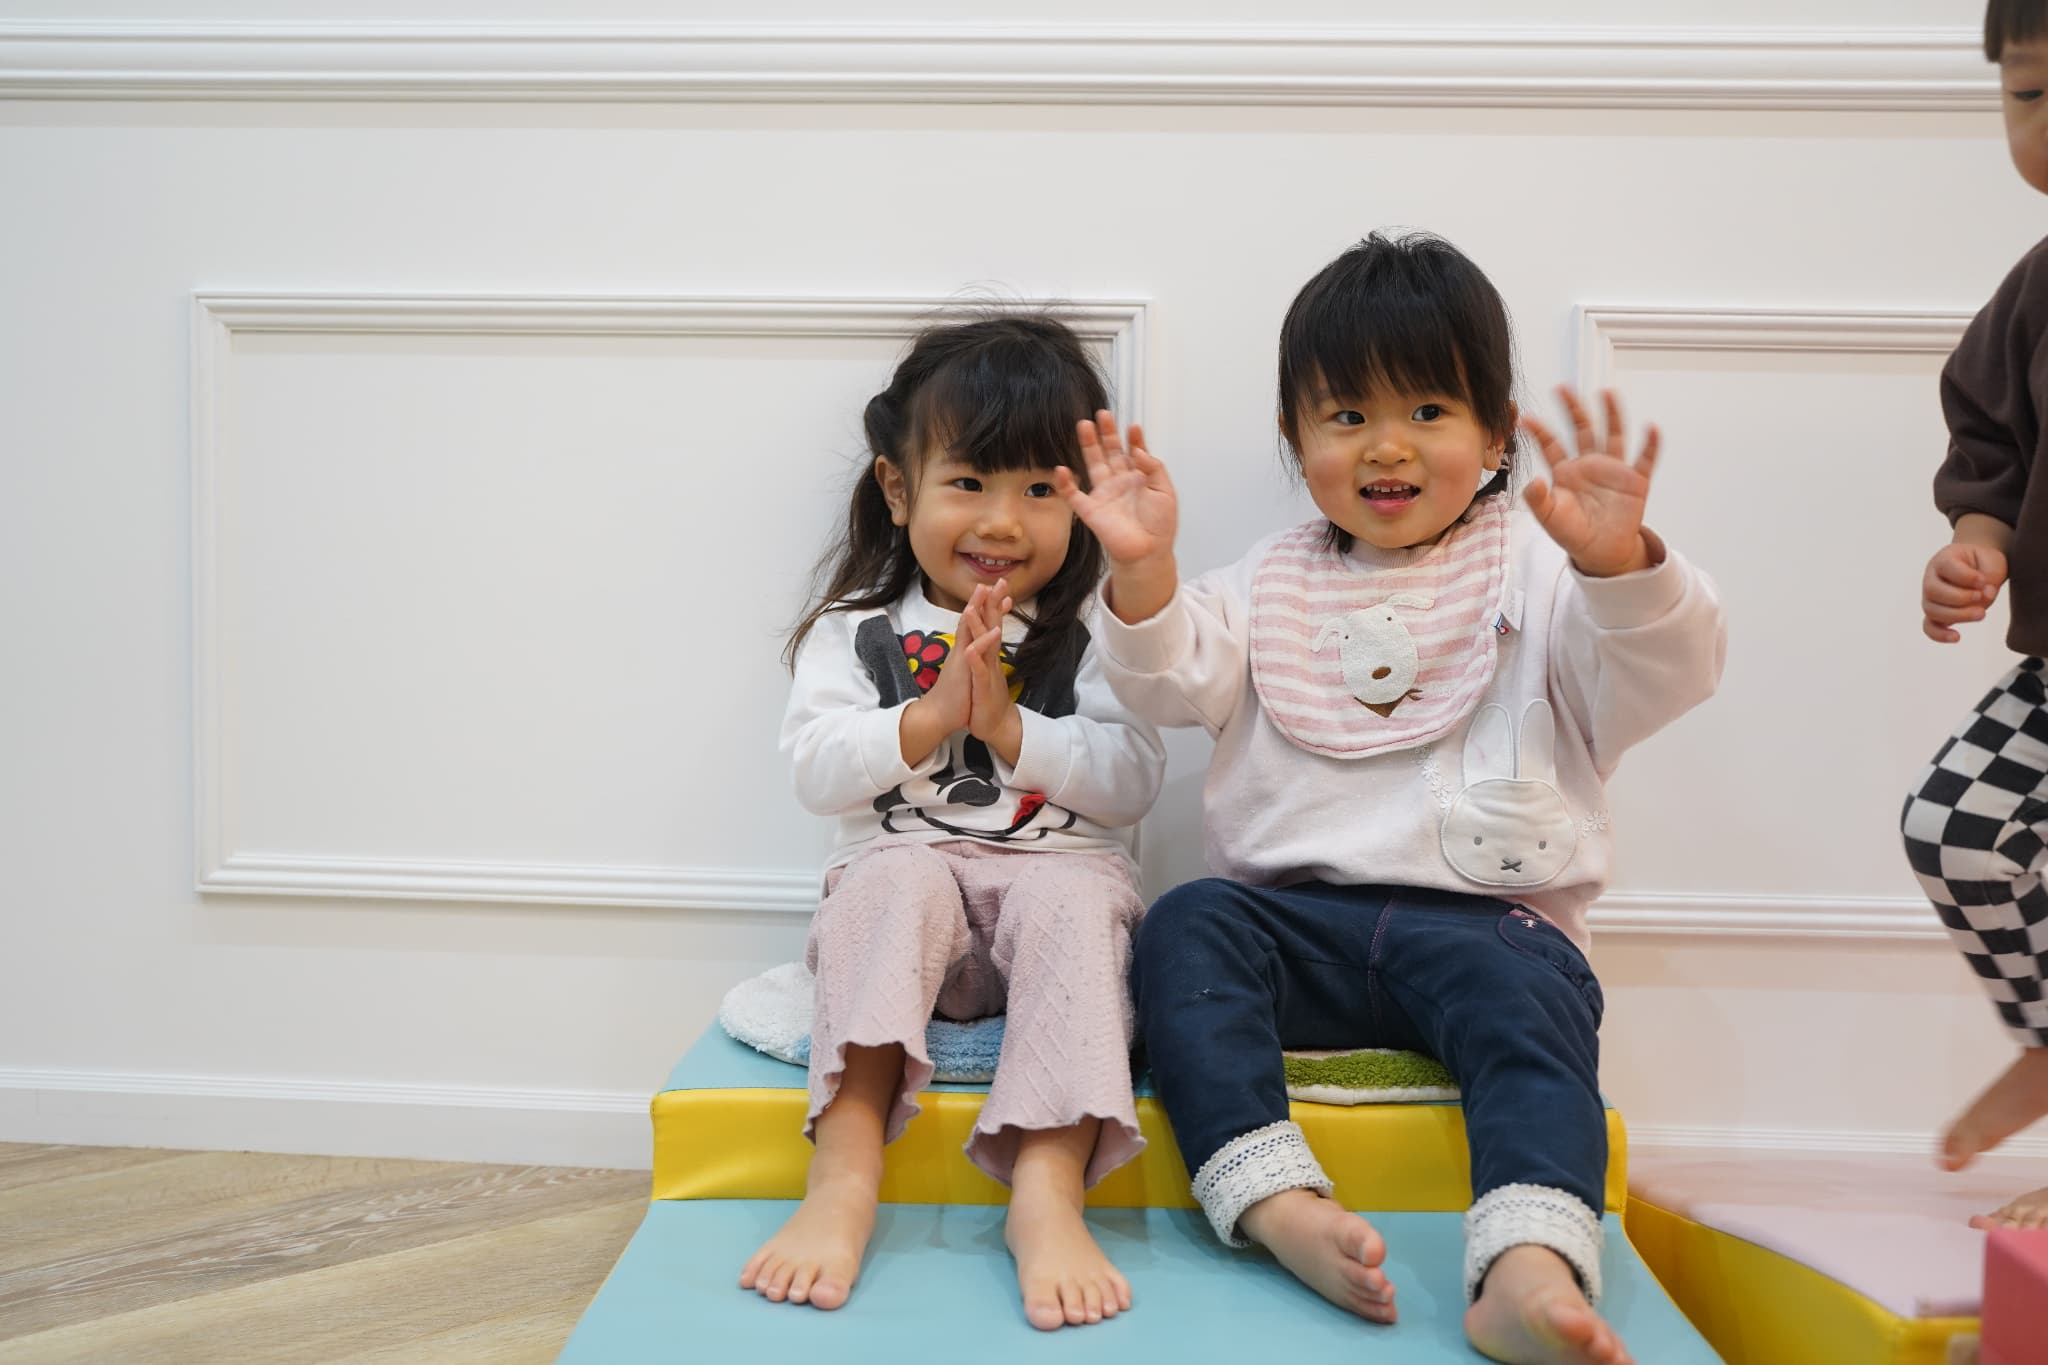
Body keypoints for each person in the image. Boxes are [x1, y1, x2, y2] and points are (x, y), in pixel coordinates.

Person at [1058, 231, 1725, 1364]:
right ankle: (1273, 1200)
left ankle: (1527, 1264)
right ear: (1294, 437)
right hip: (1291, 931)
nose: (1386, 445)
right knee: (1183, 925)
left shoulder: (1543, 569)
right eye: (1344, 414)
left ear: (1497, 433)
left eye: (1427, 410)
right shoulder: (1264, 583)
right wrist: (1142, 571)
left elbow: (1667, 671)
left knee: (1531, 1014)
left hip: (1489, 930)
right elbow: (1157, 682)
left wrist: (1620, 568)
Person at [739, 315, 1166, 1327]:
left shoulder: (1092, 633)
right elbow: (816, 771)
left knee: (1074, 896)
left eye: (1039, 490)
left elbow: (1133, 779)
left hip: (1052, 898)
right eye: (969, 482)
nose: (1002, 522)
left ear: (1080, 498)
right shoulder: (856, 633)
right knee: (892, 874)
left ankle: (1047, 1195)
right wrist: (927, 718)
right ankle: (843, 1180)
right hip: (908, 891)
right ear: (899, 490)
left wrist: (1013, 730)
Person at [1900, 0, 2048, 1235]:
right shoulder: (2036, 288)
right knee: (1951, 826)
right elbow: (1990, 445)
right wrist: (1974, 547)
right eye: (2029, 96)